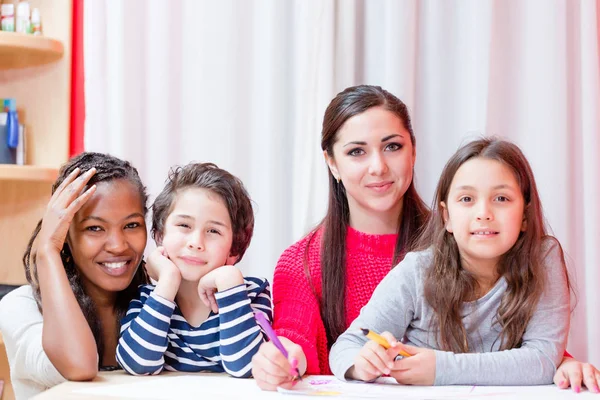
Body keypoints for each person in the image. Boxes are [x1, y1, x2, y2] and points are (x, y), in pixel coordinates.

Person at [251, 85, 599, 392]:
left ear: (413, 151)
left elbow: (519, 337)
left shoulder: (470, 236)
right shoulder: (305, 261)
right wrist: (284, 358)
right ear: (332, 163)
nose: (378, 167)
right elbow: (298, 341)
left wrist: (558, 361)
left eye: (392, 146)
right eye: (357, 151)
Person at [329, 138, 569, 386]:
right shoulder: (416, 272)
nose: (483, 213)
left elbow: (543, 359)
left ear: (525, 216)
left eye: (501, 199)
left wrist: (441, 368)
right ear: (447, 217)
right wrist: (362, 363)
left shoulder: (542, 257)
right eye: (466, 199)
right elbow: (347, 346)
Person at [0, 153, 149, 399]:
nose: (117, 245)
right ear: (65, 234)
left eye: (131, 225)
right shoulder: (20, 307)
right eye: (94, 228)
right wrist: (47, 250)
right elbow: (78, 365)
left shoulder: (155, 304)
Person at [116, 163, 272, 378]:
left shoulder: (249, 293)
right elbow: (137, 365)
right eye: (184, 226)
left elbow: (247, 366)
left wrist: (229, 280)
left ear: (234, 248)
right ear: (160, 235)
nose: (196, 242)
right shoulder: (148, 299)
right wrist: (168, 280)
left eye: (213, 231)